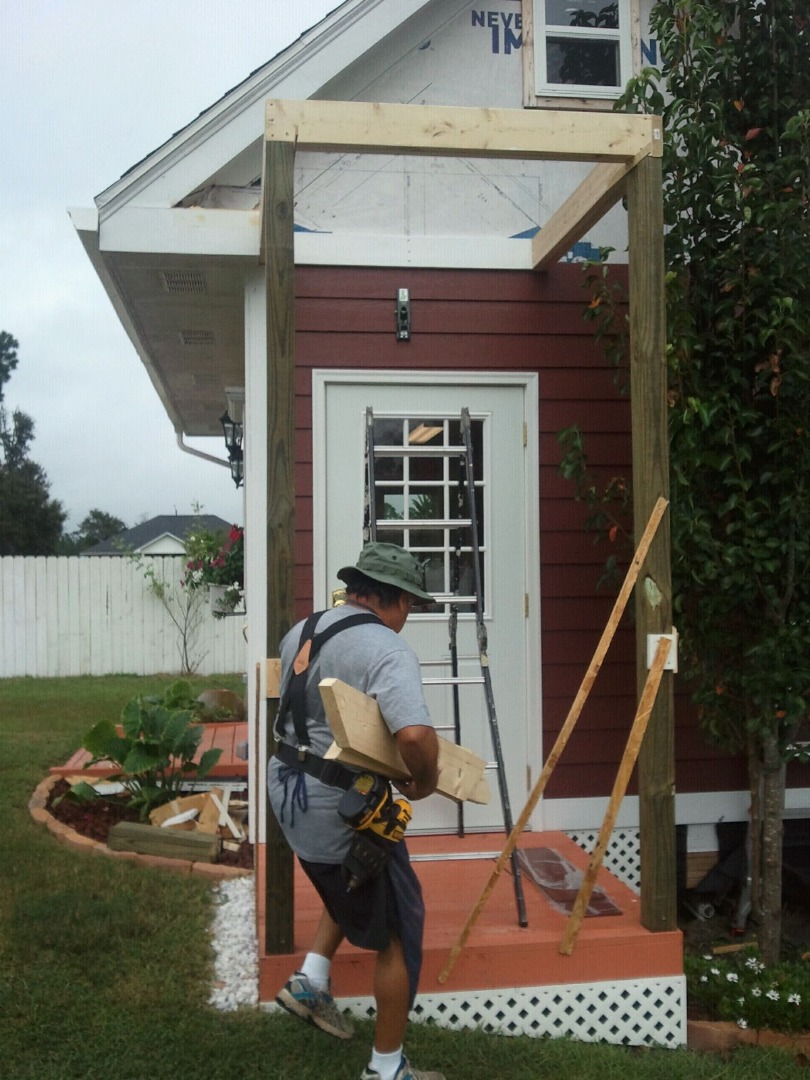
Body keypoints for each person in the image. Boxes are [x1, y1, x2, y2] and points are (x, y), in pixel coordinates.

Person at [267, 542, 446, 1080]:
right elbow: (414, 735)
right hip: (335, 804)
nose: (408, 618)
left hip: (287, 791)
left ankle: (310, 981)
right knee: (398, 929)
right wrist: (426, 781)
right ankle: (386, 1070)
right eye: (410, 605)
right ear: (393, 599)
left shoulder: (303, 629)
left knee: (354, 875)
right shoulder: (386, 649)